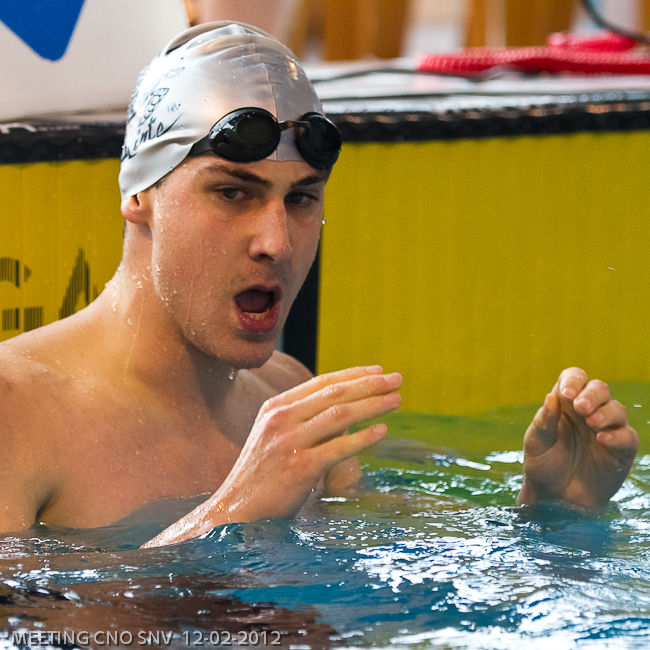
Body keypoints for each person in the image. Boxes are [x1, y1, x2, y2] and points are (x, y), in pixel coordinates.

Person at [0, 23, 638, 549]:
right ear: (140, 194)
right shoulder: (18, 411)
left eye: (301, 199)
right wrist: (232, 513)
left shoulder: (290, 398)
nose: (276, 242)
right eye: (232, 193)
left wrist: (553, 513)